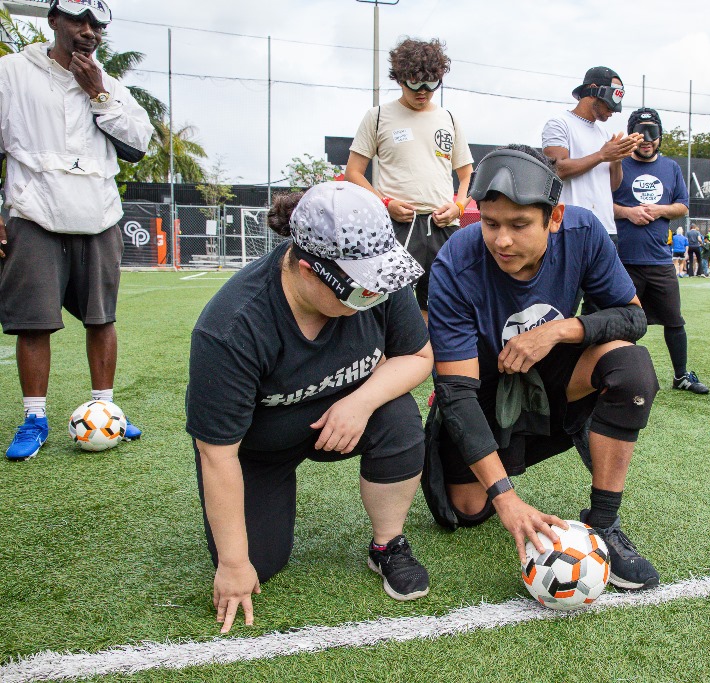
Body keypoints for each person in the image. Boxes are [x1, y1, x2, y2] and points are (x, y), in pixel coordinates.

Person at [187, 182, 435, 634]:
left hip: (345, 416)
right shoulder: (231, 327)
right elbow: (217, 453)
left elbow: (417, 358)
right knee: (259, 564)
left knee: (398, 414)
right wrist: (234, 563)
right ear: (308, 269)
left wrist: (360, 402)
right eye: (360, 291)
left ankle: (387, 545)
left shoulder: (376, 275)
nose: (374, 295)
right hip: (258, 448)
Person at [424, 145, 661, 591]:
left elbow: (633, 318)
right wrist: (506, 498)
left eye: (519, 225)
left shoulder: (584, 232)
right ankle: (500, 457)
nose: (502, 240)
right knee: (469, 510)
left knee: (630, 369)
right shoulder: (456, 260)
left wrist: (557, 331)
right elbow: (455, 389)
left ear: (554, 218)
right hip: (483, 391)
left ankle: (604, 524)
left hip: (553, 378)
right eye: (491, 224)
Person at [0, 0, 153, 461]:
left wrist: (98, 93)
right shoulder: (12, 73)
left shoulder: (111, 85)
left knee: (101, 317)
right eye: (78, 21)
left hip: (99, 214)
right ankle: (34, 418)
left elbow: (137, 146)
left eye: (97, 25)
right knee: (33, 322)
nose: (88, 31)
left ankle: (105, 410)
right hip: (33, 210)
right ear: (53, 21)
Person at [345, 38, 473, 321]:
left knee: (441, 304)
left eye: (431, 84)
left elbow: (467, 176)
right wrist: (385, 203)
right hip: (397, 226)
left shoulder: (448, 118)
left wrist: (459, 207)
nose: (423, 92)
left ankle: (431, 362)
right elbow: (353, 172)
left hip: (443, 227)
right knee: (386, 303)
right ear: (400, 79)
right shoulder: (378, 116)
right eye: (415, 84)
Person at [612, 107, 709, 394]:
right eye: (641, 134)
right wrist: (627, 213)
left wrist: (661, 210)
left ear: (660, 137)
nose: (647, 141)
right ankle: (615, 378)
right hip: (623, 260)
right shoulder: (618, 165)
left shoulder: (671, 168)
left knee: (674, 321)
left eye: (652, 134)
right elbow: (602, 202)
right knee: (621, 323)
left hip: (659, 260)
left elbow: (682, 205)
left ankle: (681, 376)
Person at [542, 66, 642, 244]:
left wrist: (617, 158)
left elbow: (612, 186)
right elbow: (556, 169)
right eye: (610, 104)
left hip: (606, 229)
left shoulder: (604, 134)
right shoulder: (560, 124)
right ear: (594, 90)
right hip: (572, 227)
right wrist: (602, 155)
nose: (614, 111)